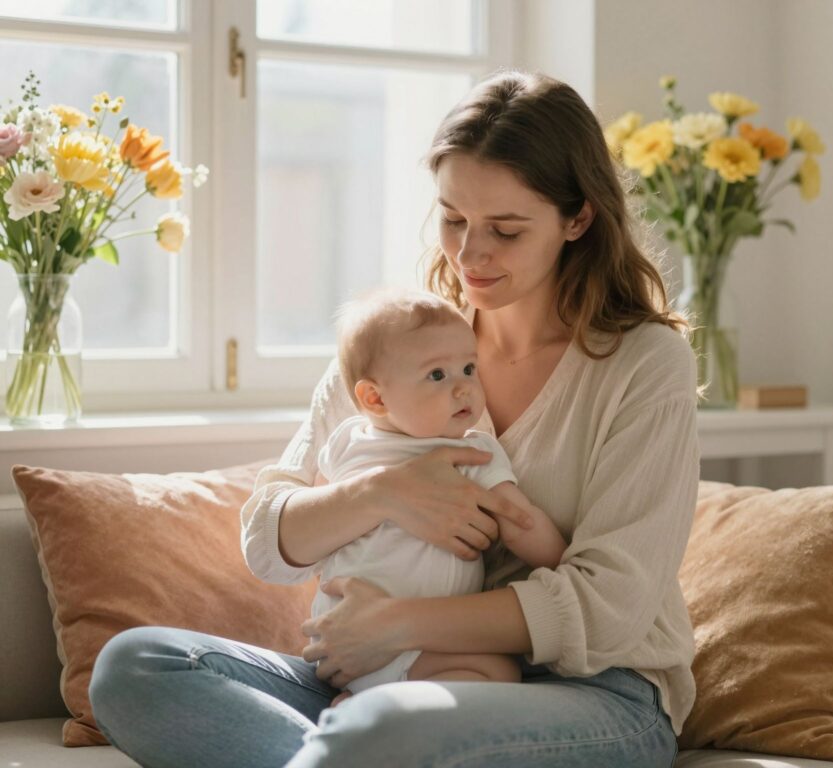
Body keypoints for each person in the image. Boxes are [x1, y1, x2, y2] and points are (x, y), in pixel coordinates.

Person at [90, 69, 701, 768]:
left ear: (578, 218)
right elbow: (267, 533)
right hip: (385, 673)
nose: (470, 253)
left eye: (504, 229)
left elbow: (612, 606)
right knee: (137, 667)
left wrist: (393, 623)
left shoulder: (644, 363)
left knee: (380, 732)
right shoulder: (405, 340)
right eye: (453, 218)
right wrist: (378, 493)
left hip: (591, 696)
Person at [312, 289, 566, 701]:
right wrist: (564, 559)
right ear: (374, 397)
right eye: (437, 375)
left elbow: (328, 512)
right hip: (412, 649)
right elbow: (519, 521)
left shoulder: (346, 442)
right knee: (499, 671)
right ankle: (370, 712)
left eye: (468, 368)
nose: (464, 388)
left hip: (339, 636)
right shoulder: (471, 452)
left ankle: (359, 705)